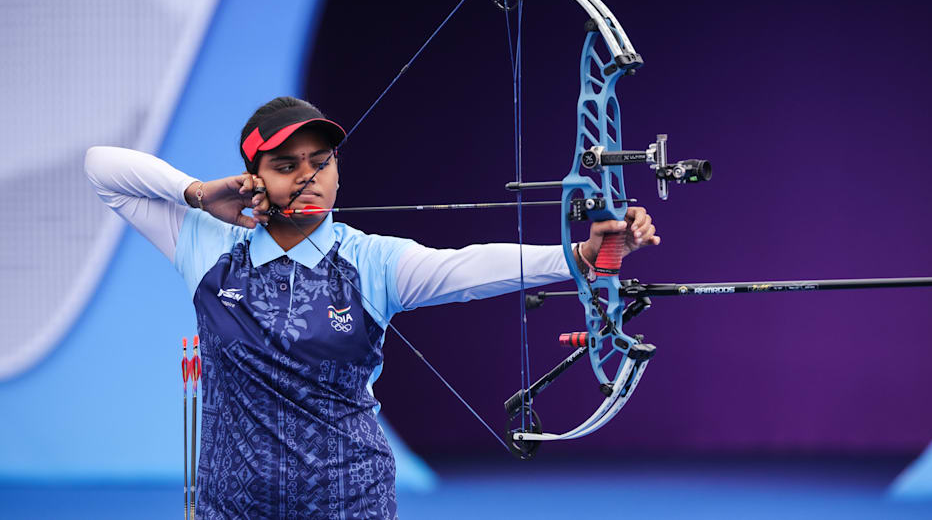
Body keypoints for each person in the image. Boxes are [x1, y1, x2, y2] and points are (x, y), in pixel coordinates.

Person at [84, 96, 660, 518]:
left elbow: (470, 268)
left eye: (322, 161)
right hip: (231, 504)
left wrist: (582, 253)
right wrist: (198, 193)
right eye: (286, 165)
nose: (309, 175)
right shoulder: (206, 244)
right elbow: (101, 167)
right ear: (252, 177)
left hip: (349, 500)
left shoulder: (372, 262)